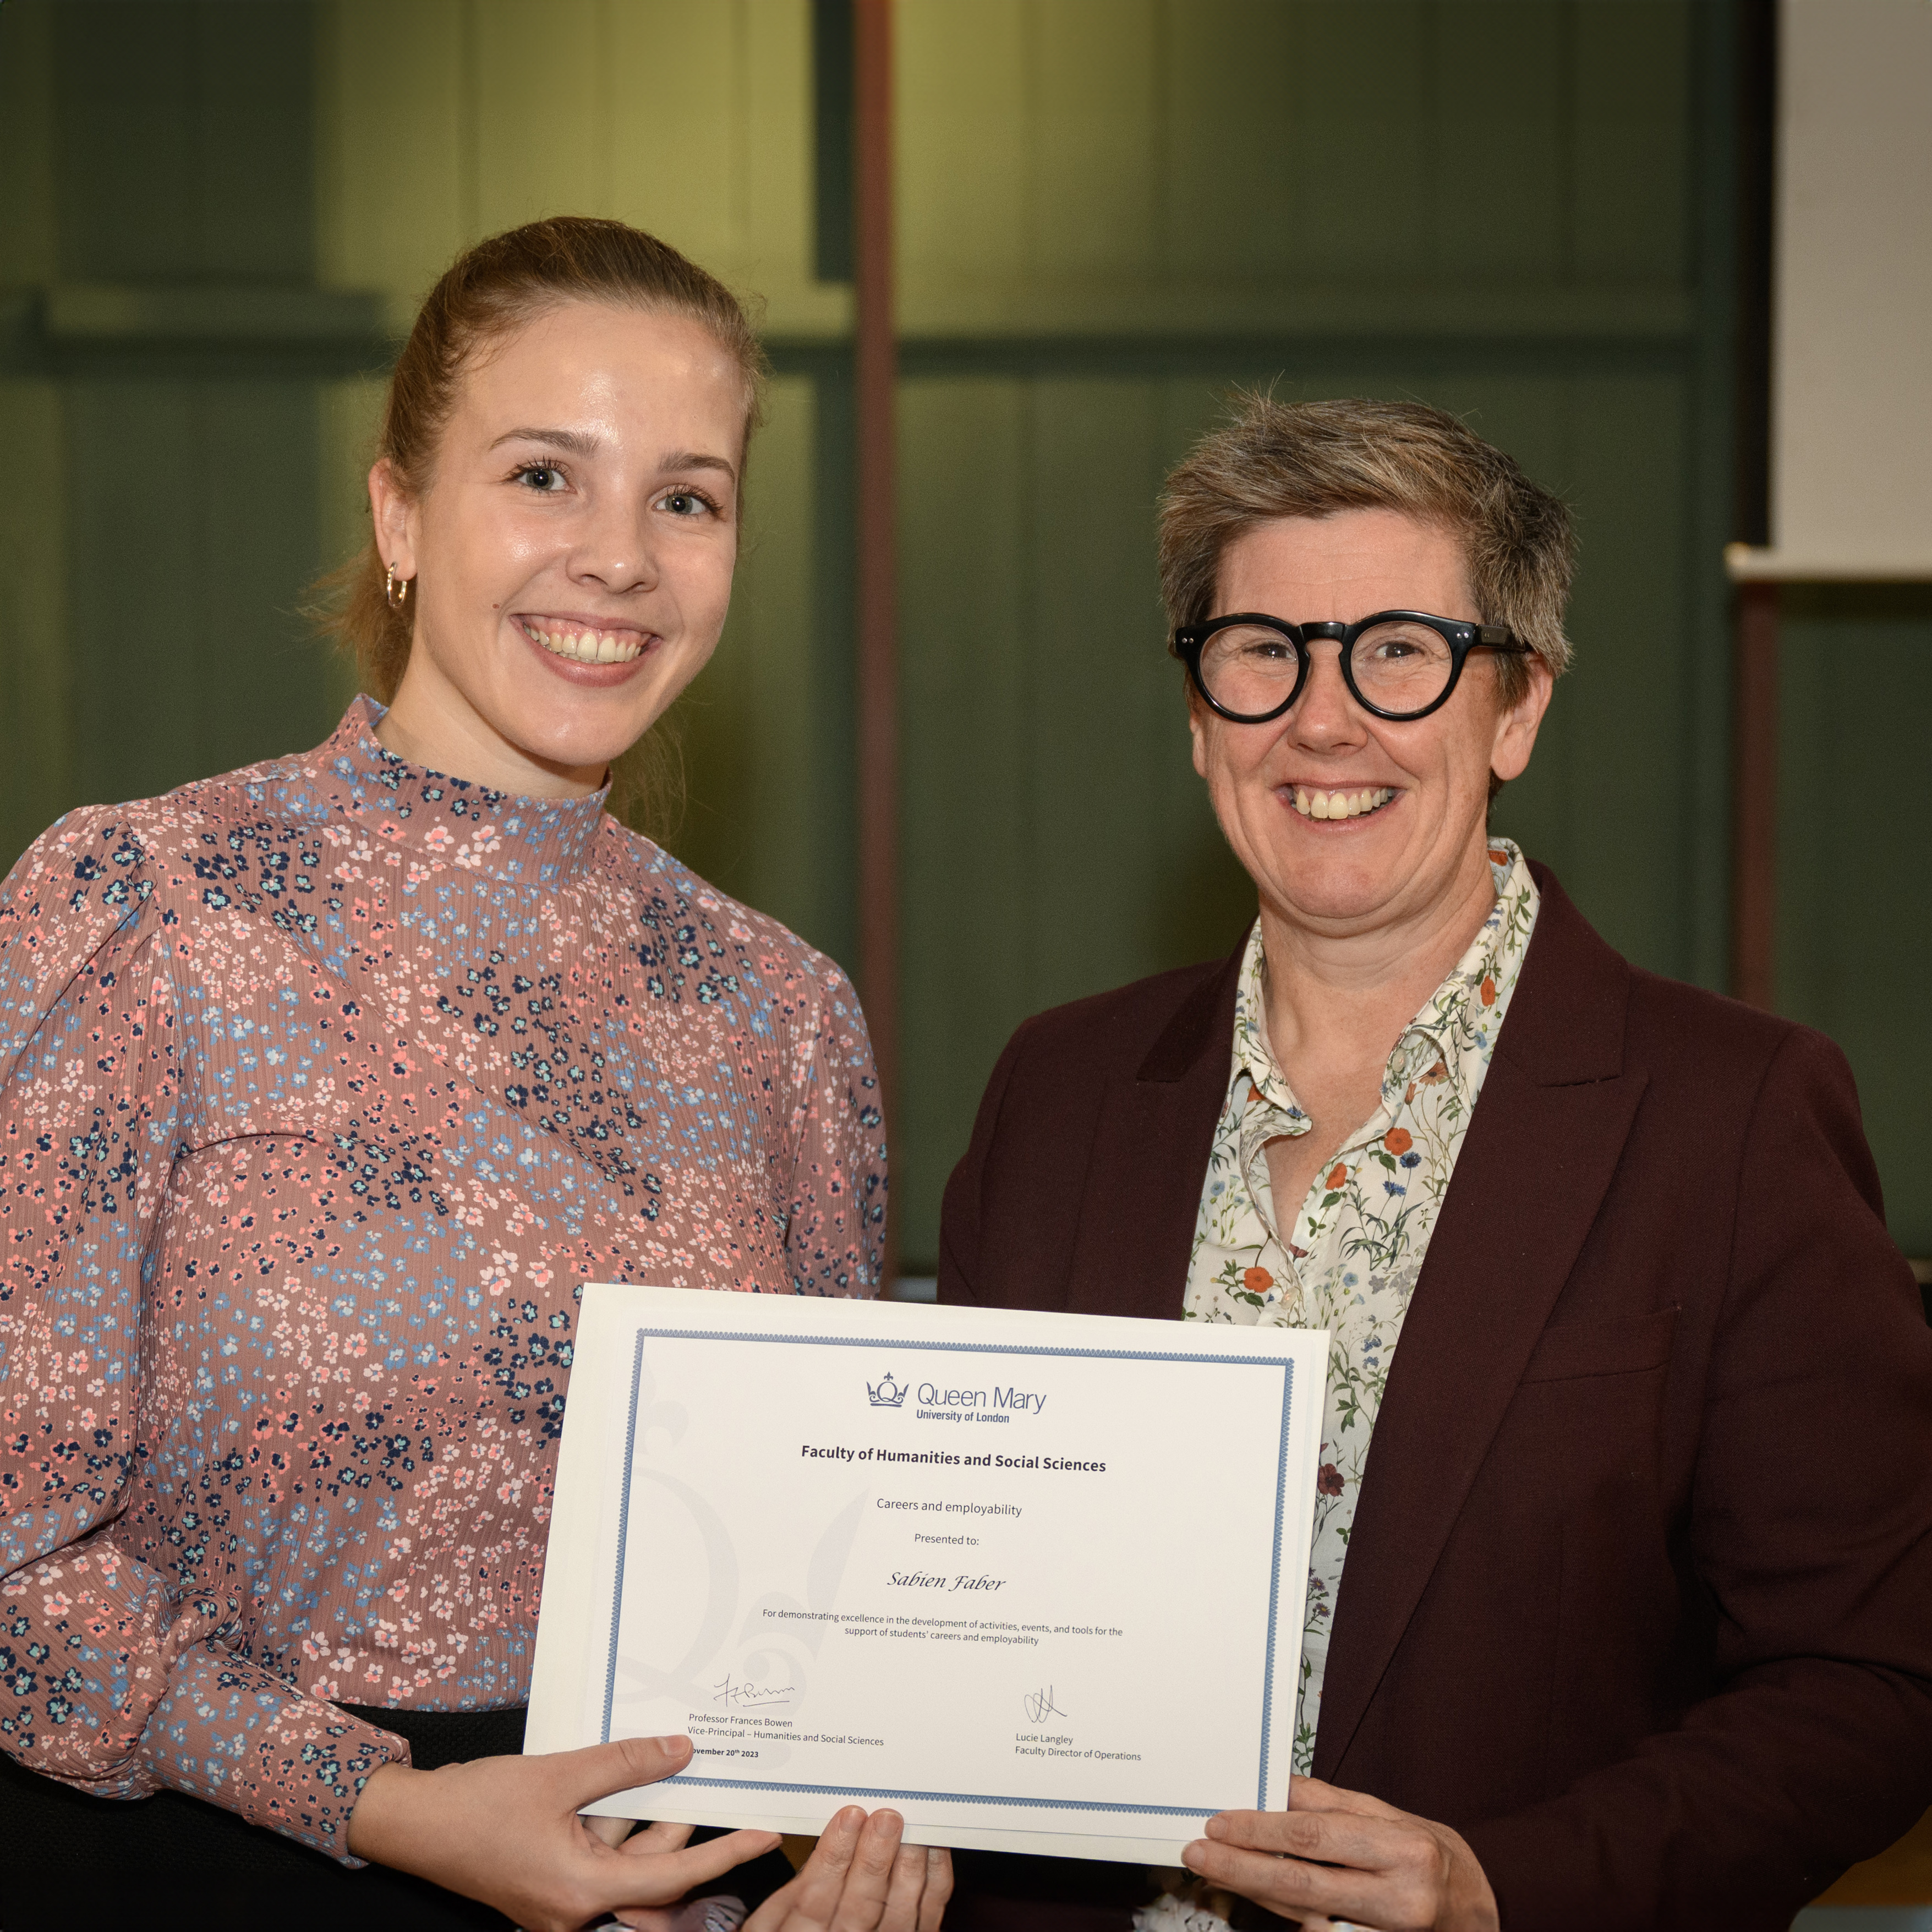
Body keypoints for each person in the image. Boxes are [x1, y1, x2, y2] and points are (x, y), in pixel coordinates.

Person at [0, 217, 945, 1932]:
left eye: (688, 497)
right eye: (543, 475)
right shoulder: (150, 911)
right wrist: (378, 1805)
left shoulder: (781, 1020)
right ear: (398, 517)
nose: (623, 558)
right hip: (198, 1875)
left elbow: (808, 1614)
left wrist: (790, 1880)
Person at [937, 397, 1932, 1932]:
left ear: (1517, 709)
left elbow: (1869, 1681)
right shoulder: (1058, 1096)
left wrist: (1498, 1889)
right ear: (1199, 716)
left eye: (1399, 650)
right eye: (1262, 650)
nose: (1321, 721)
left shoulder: (1730, 1118)